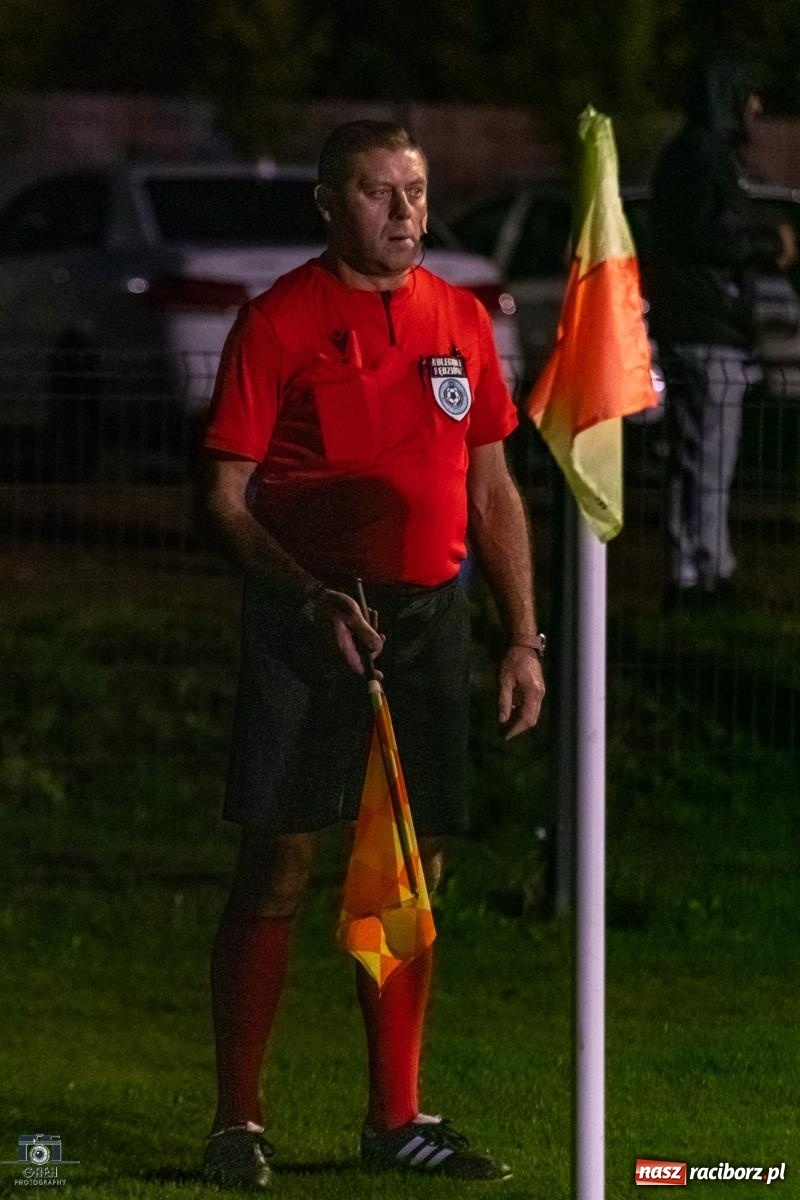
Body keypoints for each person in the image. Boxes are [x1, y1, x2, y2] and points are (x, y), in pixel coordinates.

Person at [196, 119, 545, 1190]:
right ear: (326, 203)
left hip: (431, 619)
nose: (405, 213)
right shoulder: (278, 321)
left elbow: (490, 489)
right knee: (281, 863)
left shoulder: (459, 318)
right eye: (377, 192)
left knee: (410, 872)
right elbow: (223, 497)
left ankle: (394, 1119)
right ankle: (237, 1124)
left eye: (416, 189)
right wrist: (305, 598)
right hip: (313, 622)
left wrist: (520, 636)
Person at [648, 53, 796, 609]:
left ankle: (692, 568)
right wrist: (766, 245)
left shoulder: (688, 156)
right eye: (749, 95)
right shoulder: (706, 158)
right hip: (708, 329)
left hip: (692, 325)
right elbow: (707, 235)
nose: (757, 108)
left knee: (693, 458)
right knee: (710, 458)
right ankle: (707, 576)